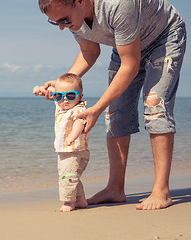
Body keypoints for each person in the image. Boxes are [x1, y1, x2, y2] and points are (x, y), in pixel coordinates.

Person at [34, 0, 186, 210]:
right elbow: (89, 51)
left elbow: (130, 65)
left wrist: (95, 109)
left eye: (64, 20)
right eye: (55, 23)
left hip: (164, 37)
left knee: (155, 106)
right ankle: (115, 189)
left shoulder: (118, 4)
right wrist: (62, 87)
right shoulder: (74, 19)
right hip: (126, 45)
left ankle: (161, 191)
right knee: (115, 113)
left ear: (80, 2)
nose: (62, 26)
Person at [34, 73, 90, 212]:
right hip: (65, 151)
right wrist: (39, 88)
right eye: (59, 96)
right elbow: (50, 91)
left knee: (67, 177)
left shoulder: (78, 109)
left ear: (80, 96)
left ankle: (69, 202)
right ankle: (81, 200)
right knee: (71, 175)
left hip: (74, 151)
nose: (64, 100)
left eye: (70, 95)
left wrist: (72, 136)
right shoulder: (61, 106)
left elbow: (79, 123)